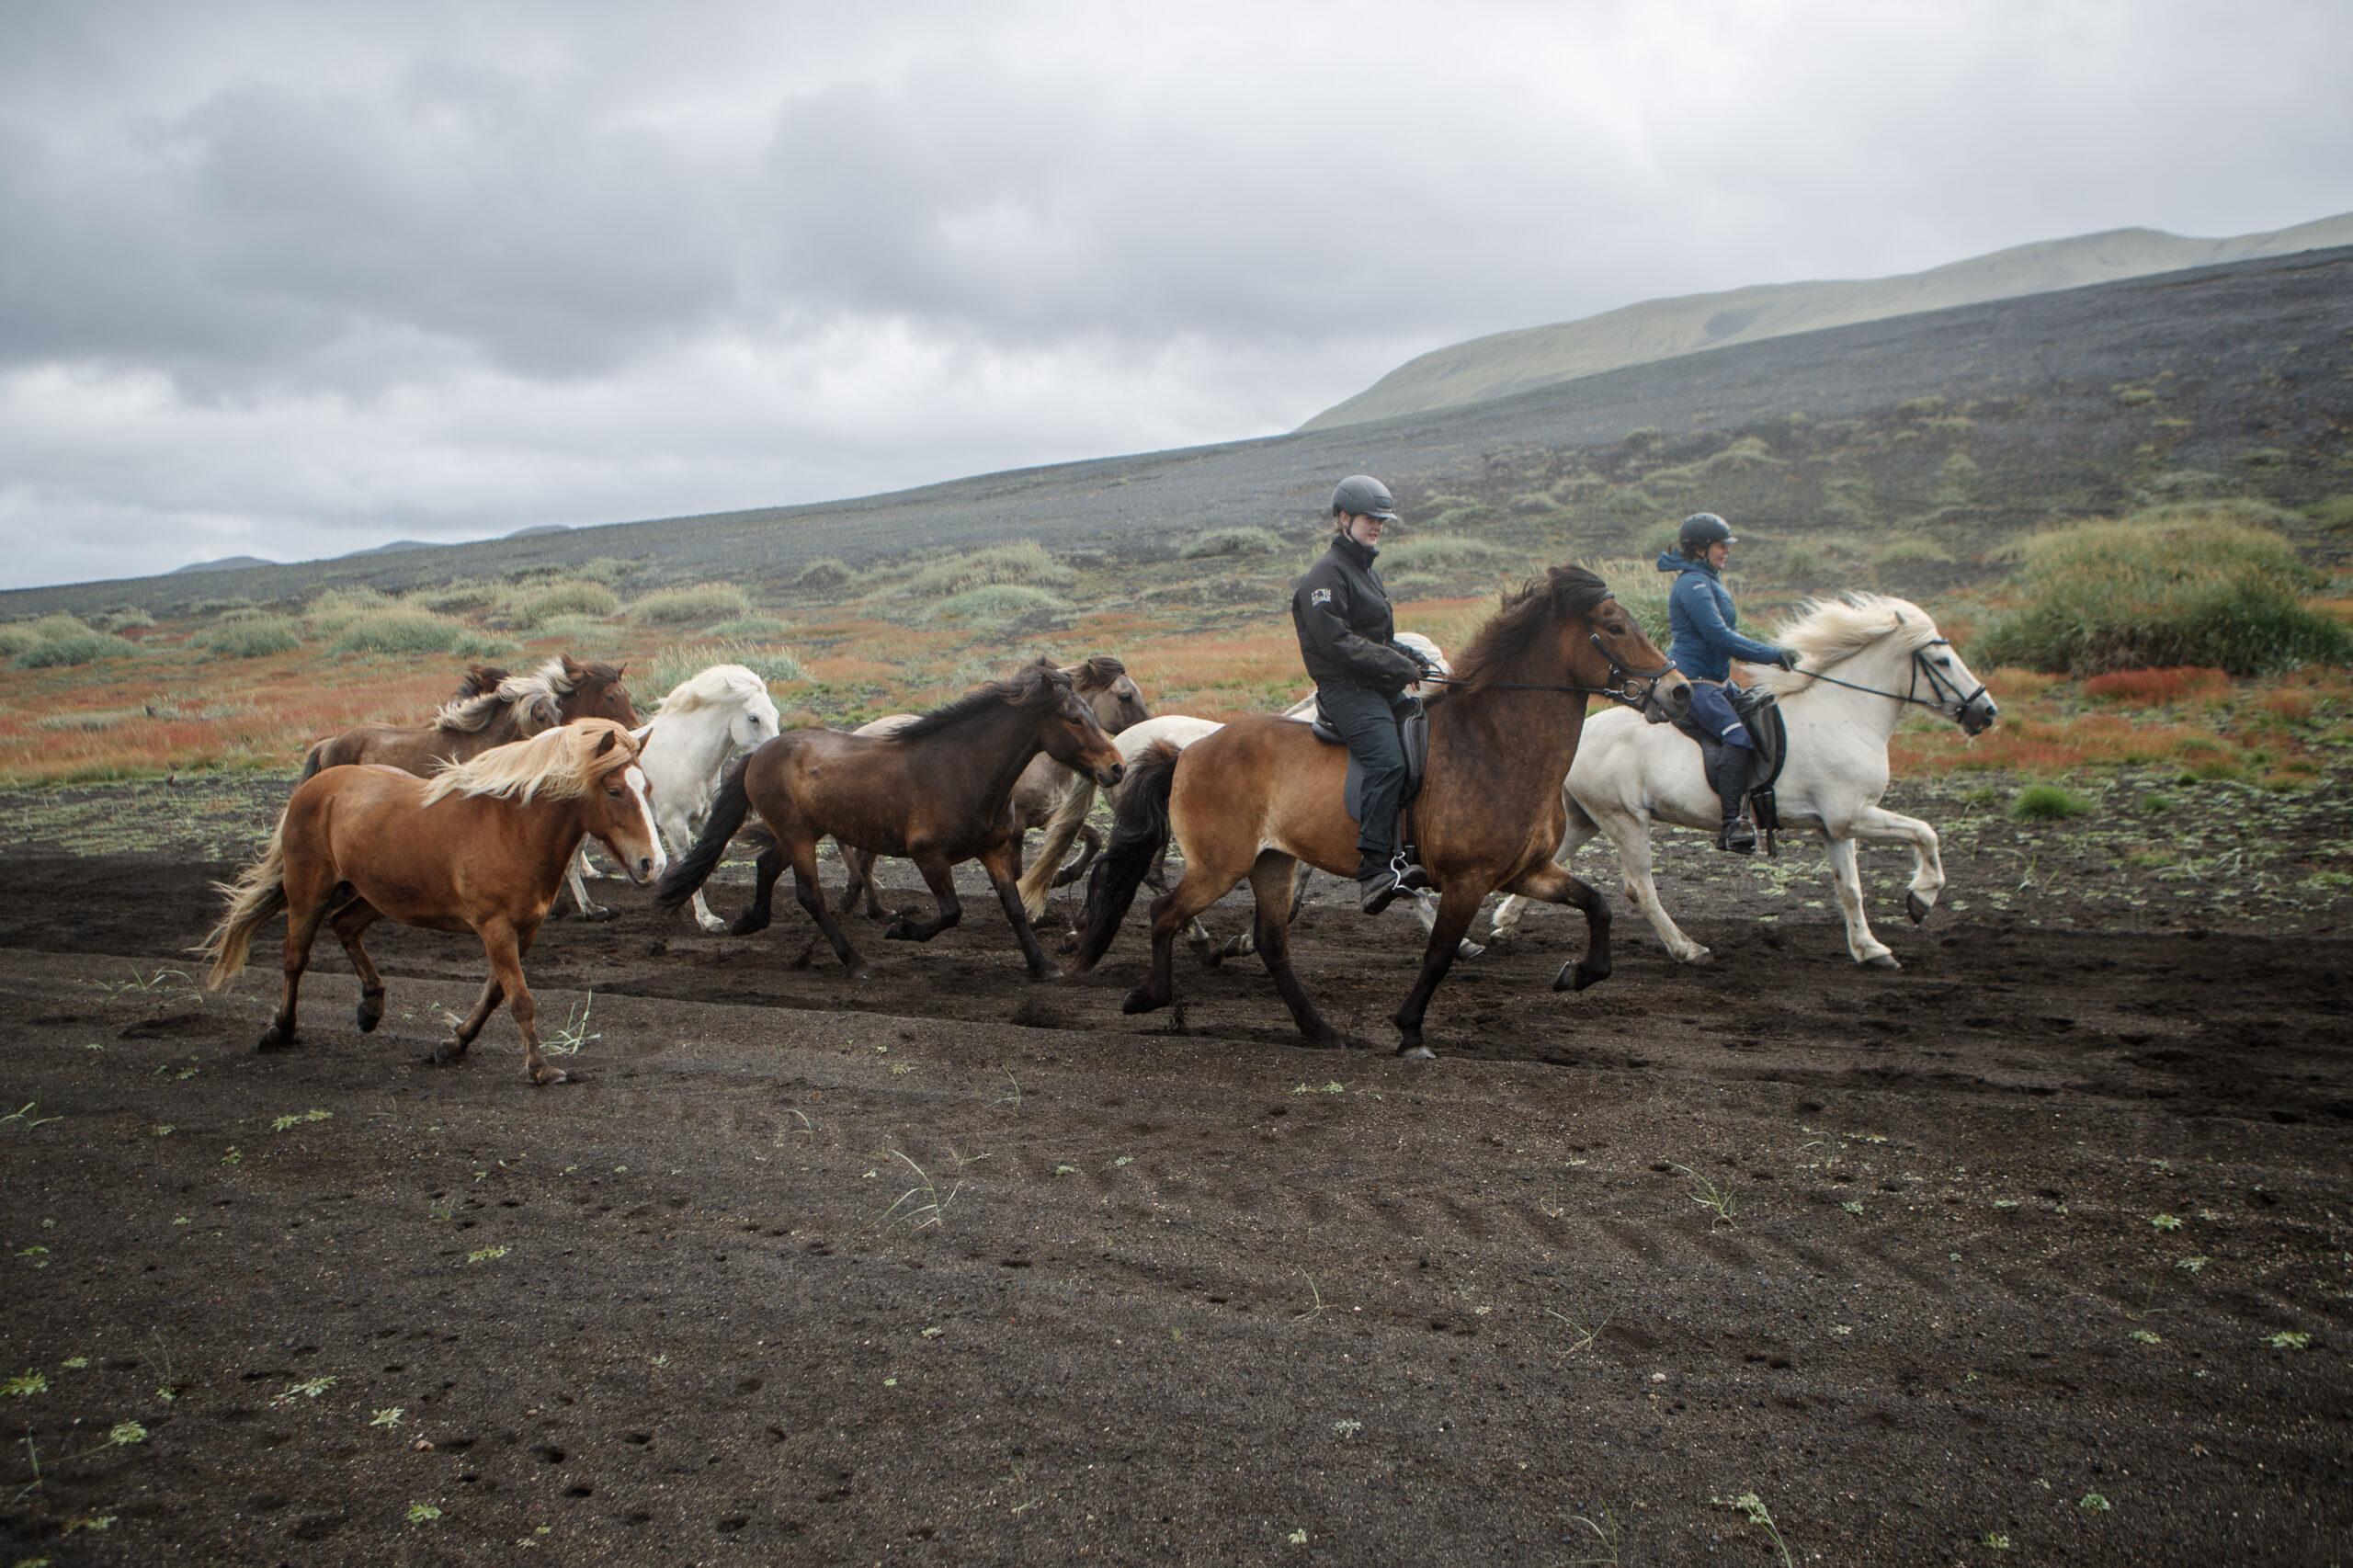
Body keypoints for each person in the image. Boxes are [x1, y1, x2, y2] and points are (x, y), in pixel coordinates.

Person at [1293, 475, 1436, 914]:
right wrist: (1397, 665)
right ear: (1343, 519)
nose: (1377, 526)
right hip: (1345, 690)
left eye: (1382, 520)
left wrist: (1412, 656)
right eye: (1369, 519)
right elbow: (1339, 643)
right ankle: (1375, 868)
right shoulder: (1325, 576)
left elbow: (1376, 636)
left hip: (1377, 686)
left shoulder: (1364, 572)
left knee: (1428, 743)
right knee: (1388, 760)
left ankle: (1411, 849)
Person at [1655, 512, 1799, 853]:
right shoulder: (1692, 585)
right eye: (1722, 545)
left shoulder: (1708, 581)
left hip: (1718, 681)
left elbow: (1729, 637)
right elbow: (1719, 637)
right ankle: (1731, 824)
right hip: (1695, 684)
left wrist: (1770, 655)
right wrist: (1773, 655)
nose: (1727, 551)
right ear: (1702, 549)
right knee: (1736, 736)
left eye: (1727, 545)